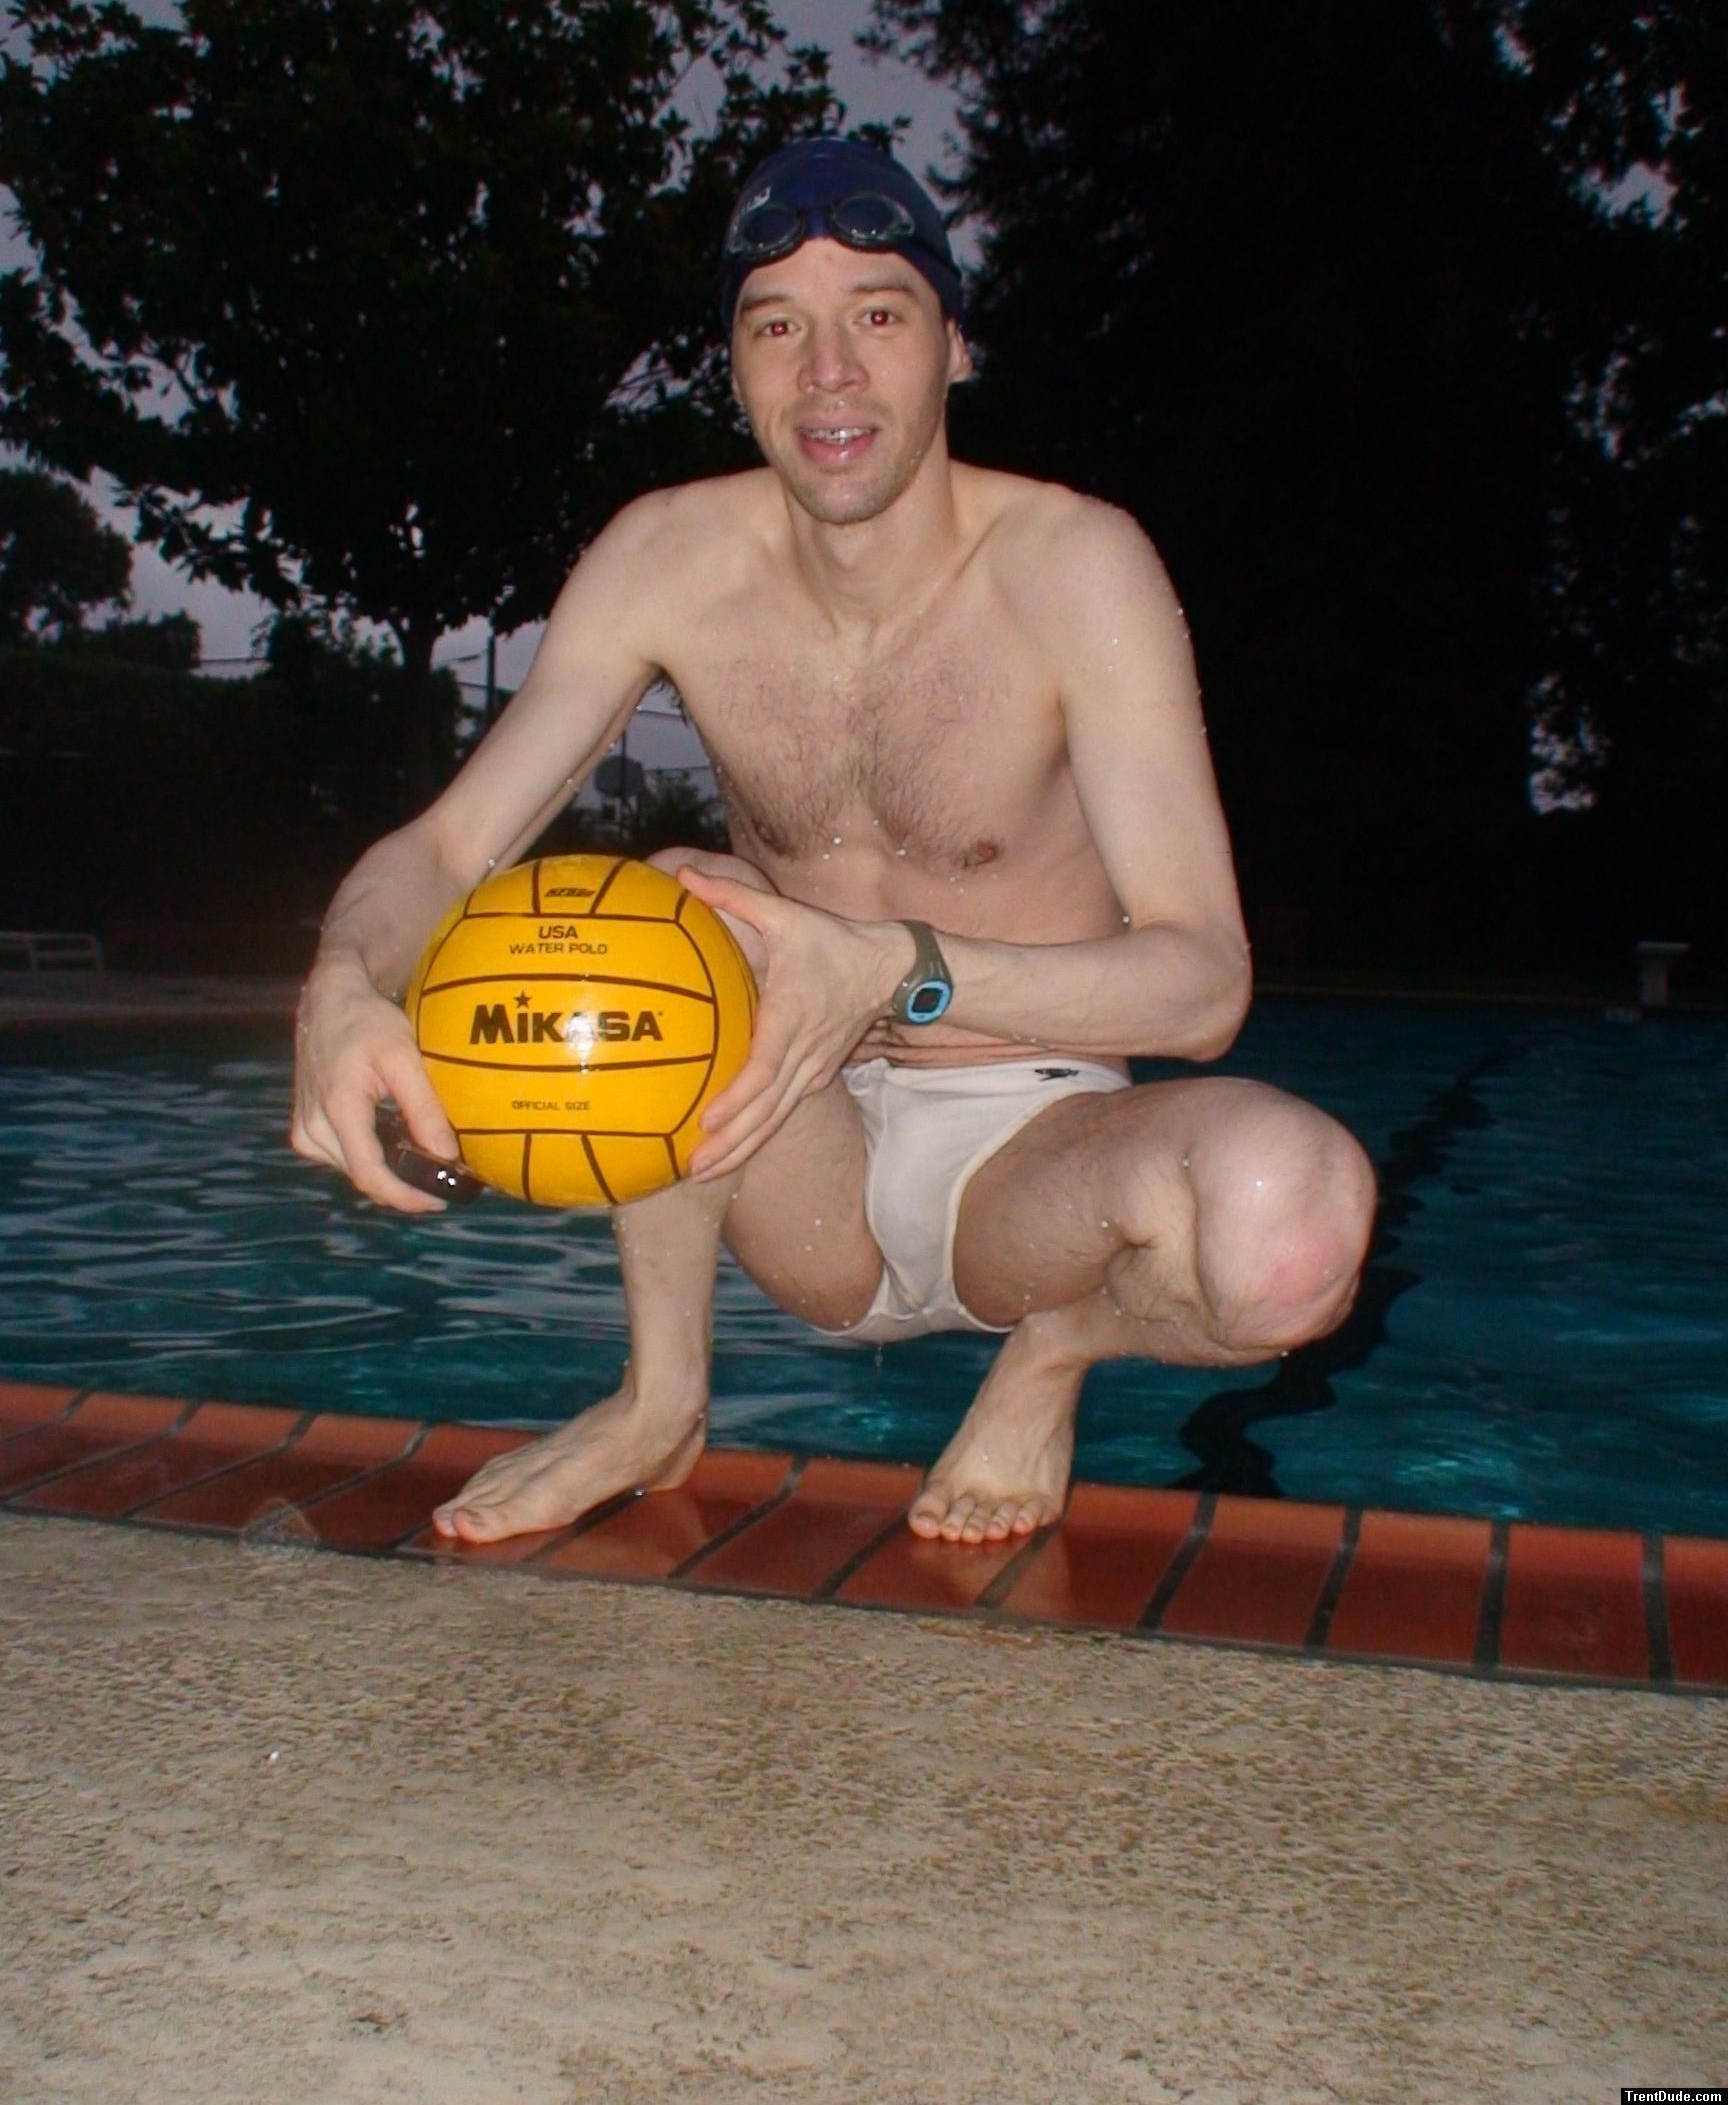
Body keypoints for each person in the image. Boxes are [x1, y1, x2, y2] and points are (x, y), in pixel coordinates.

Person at [291, 136, 1377, 1548]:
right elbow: (445, 851)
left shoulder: (1074, 567)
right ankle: (659, 1399)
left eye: (877, 315)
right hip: (785, 1138)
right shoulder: (669, 558)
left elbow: (1202, 981)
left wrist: (890, 968)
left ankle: (1048, 1361)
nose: (829, 376)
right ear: (735, 369)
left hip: (1031, 1151)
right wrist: (337, 987)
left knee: (1291, 1228)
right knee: (659, 907)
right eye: (777, 328)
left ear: (954, 349)